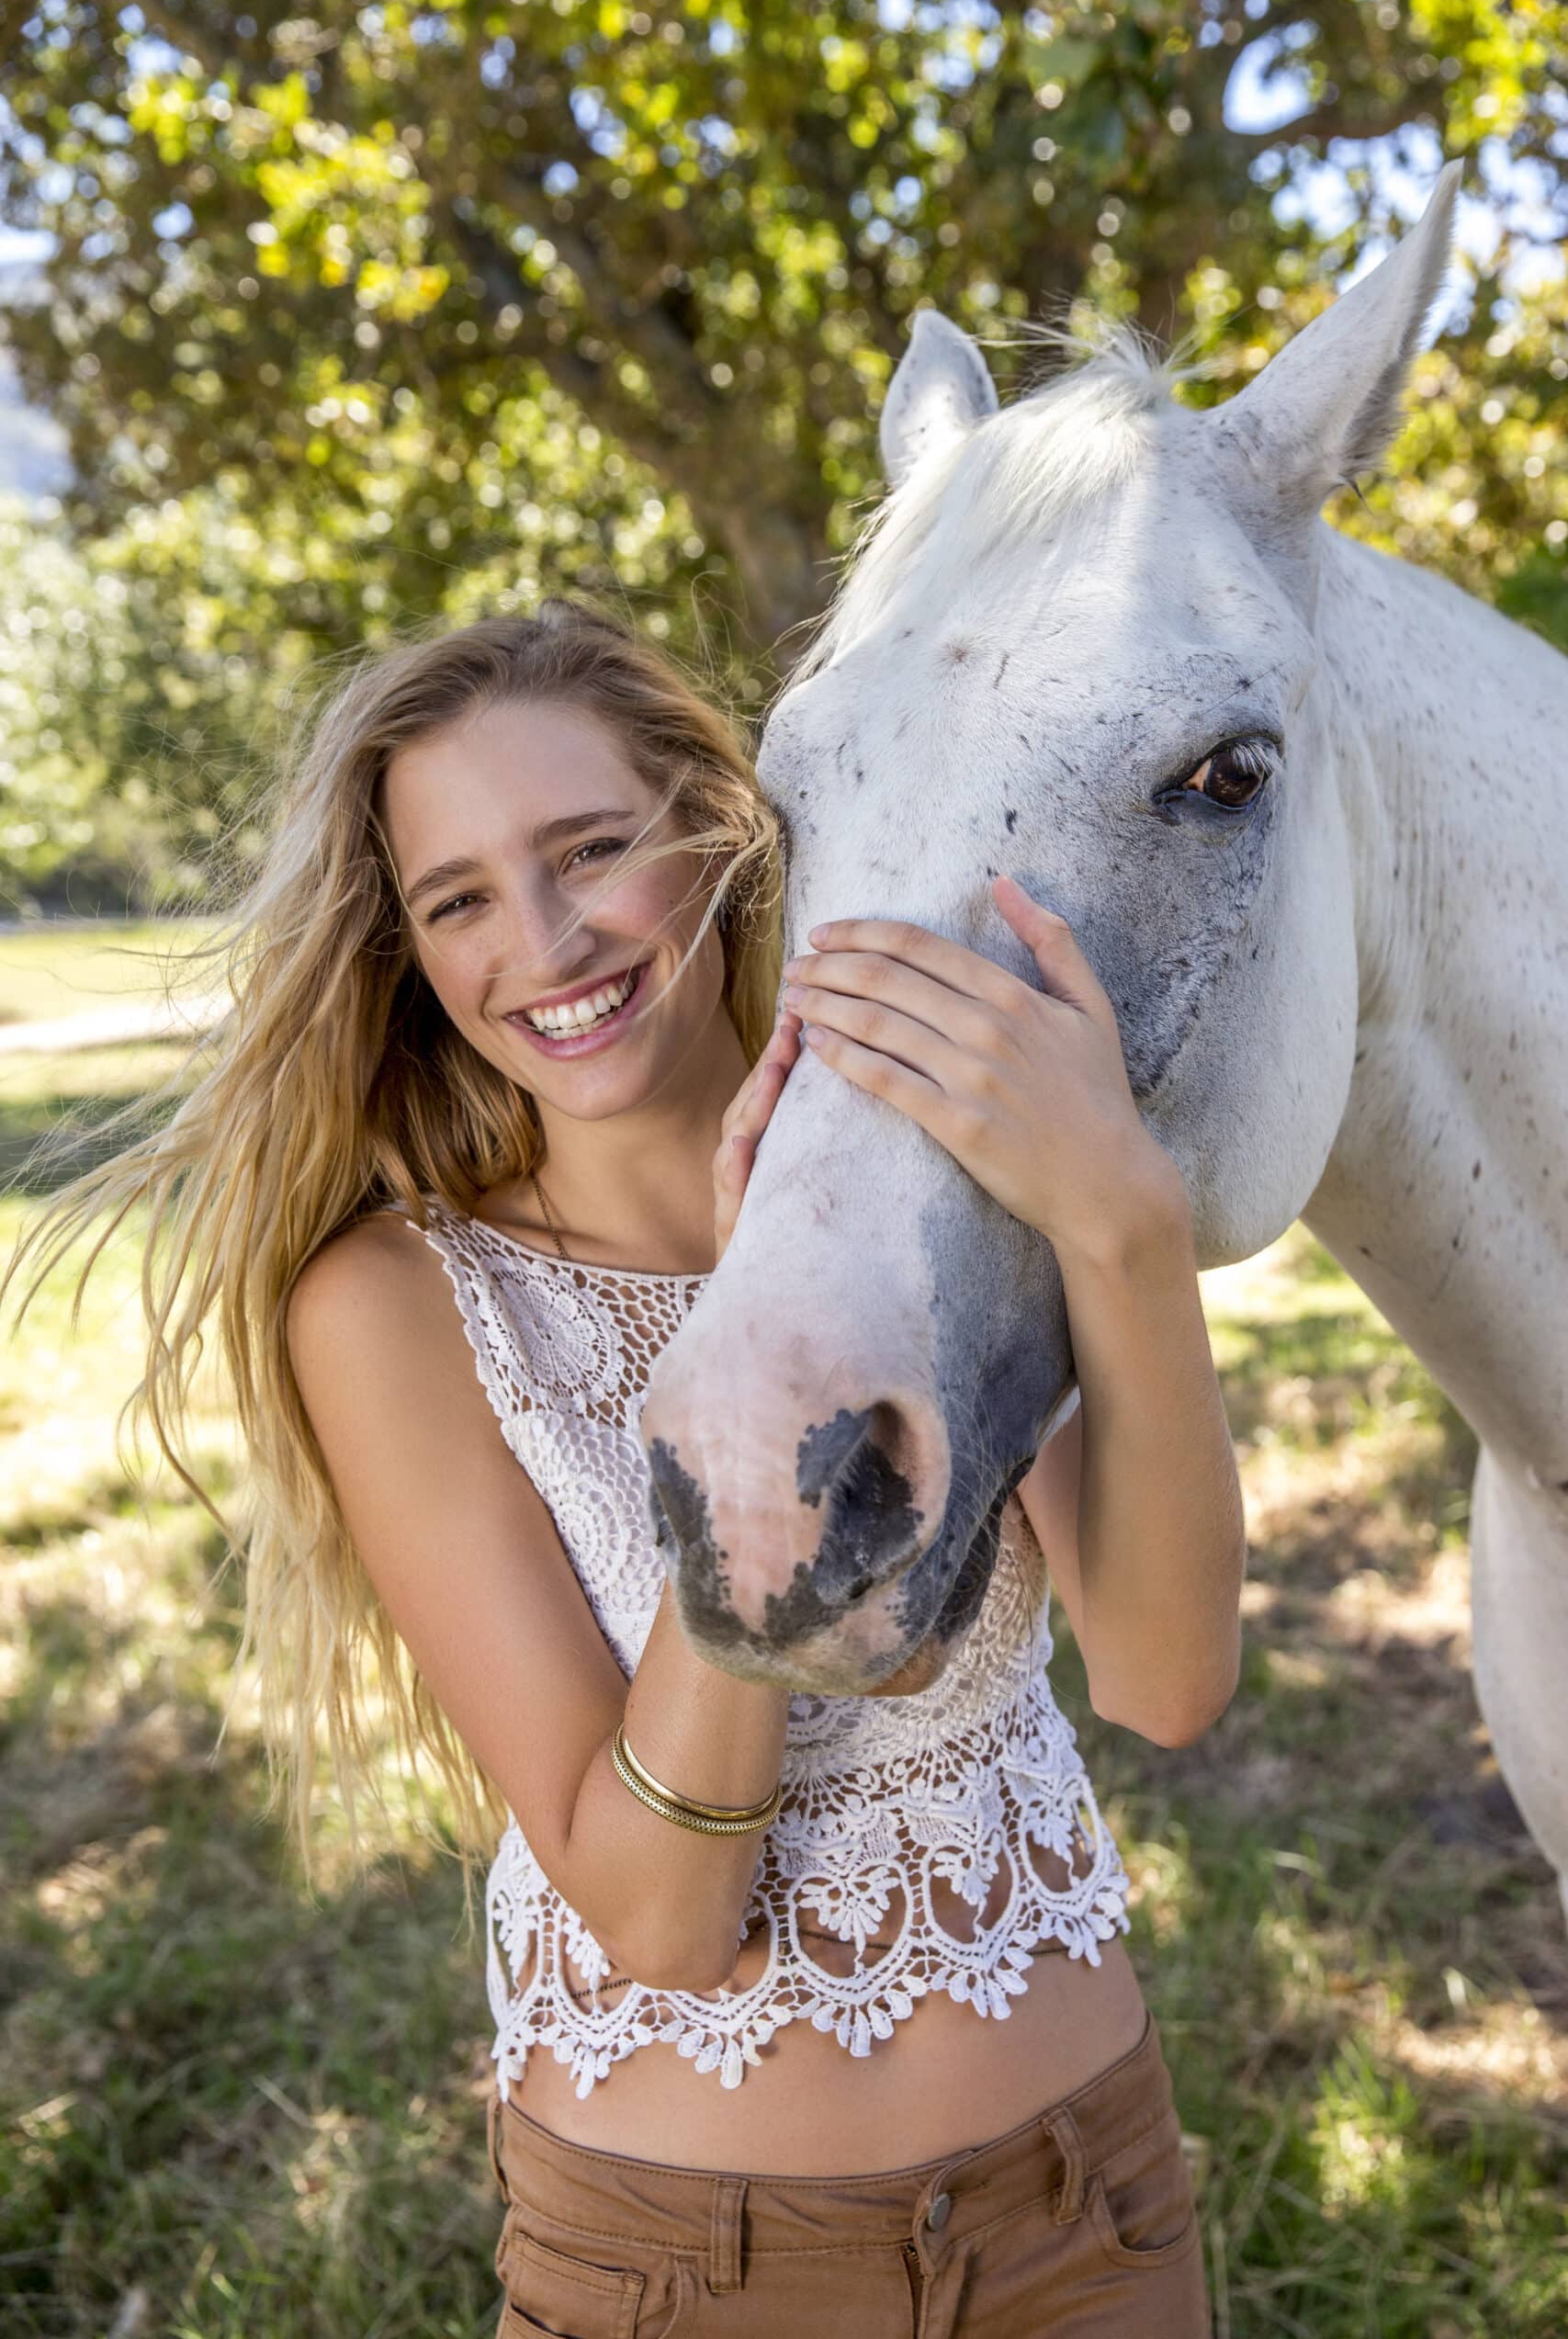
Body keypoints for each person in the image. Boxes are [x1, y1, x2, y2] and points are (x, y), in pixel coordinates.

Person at [10, 602, 1245, 2335]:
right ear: (414, 953)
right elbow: (664, 1913)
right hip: (697, 2270)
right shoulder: (395, 1310)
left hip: (1090, 2212)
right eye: (458, 901)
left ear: (714, 833)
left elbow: (1170, 1678)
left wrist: (1119, 1214)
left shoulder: (935, 1167)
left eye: (591, 850)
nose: (543, 941)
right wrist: (758, 1344)